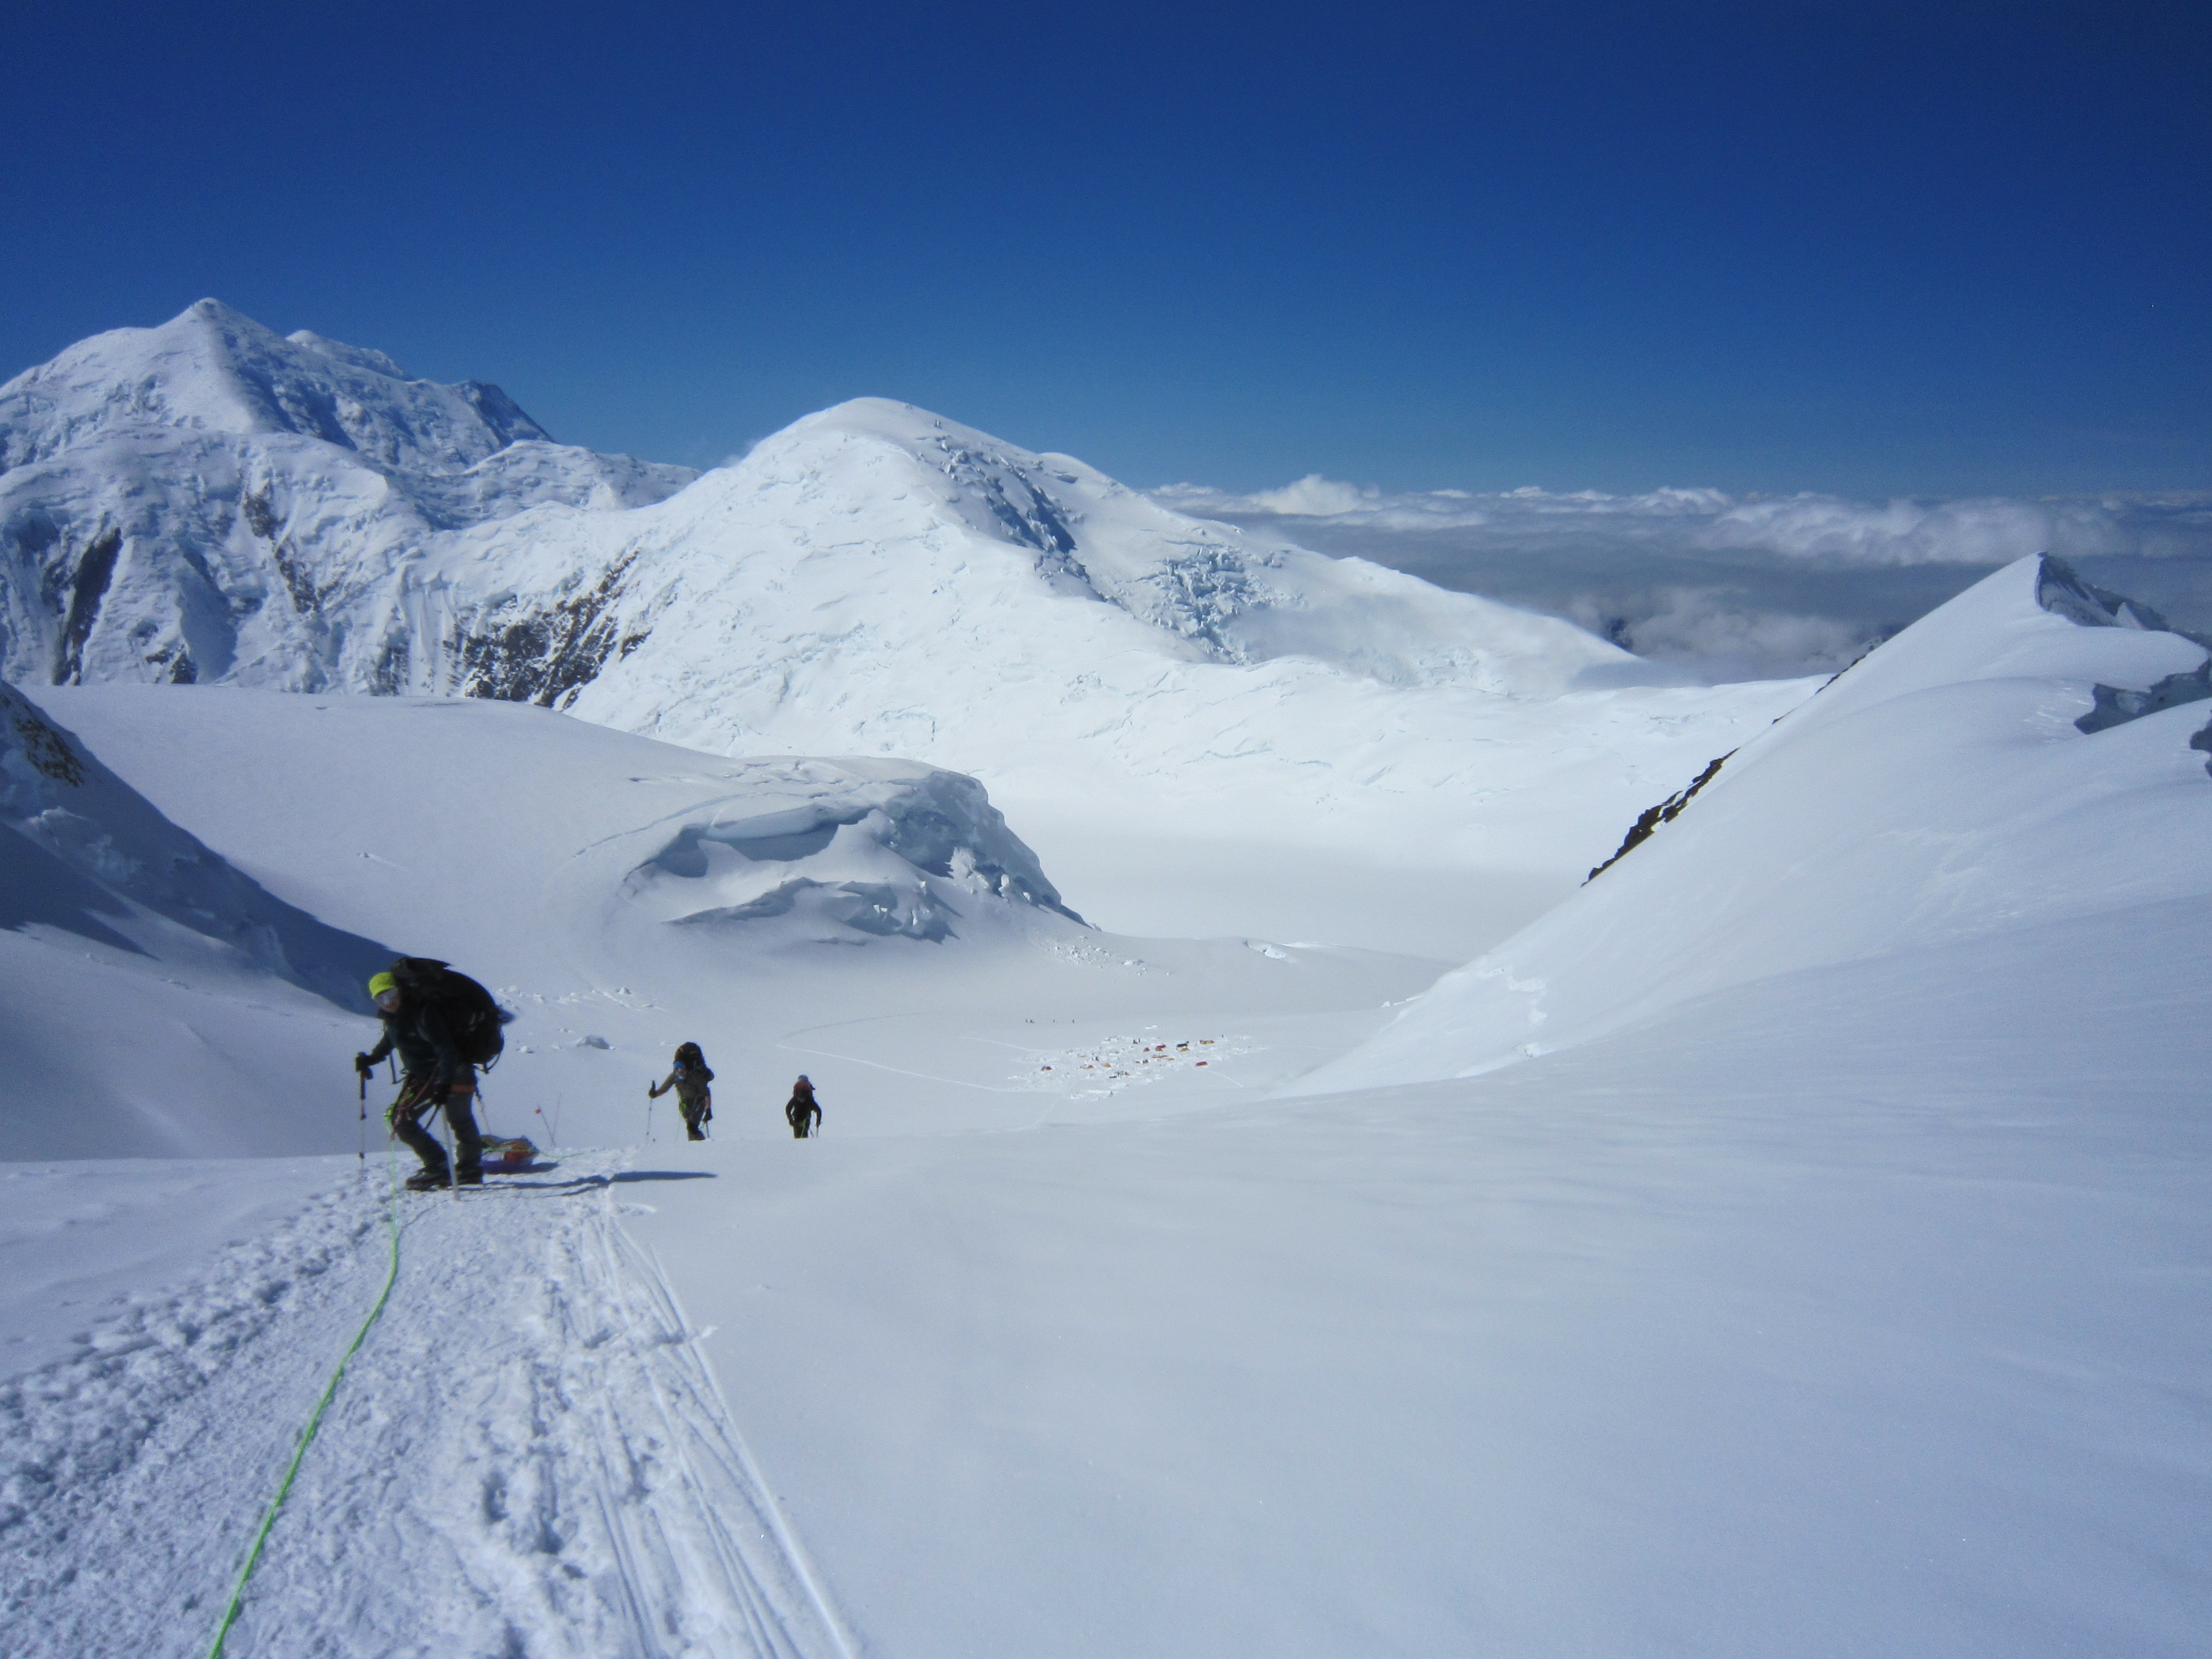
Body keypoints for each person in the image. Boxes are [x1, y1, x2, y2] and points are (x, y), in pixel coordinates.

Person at [355, 967, 486, 1190]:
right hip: (429, 1076)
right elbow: (391, 1041)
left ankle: (453, 1168)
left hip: (451, 1072)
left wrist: (445, 1083)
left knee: (453, 1120)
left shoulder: (423, 1013)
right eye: (380, 998)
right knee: (403, 1120)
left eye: (390, 994)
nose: (387, 1002)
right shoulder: (394, 1019)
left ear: (400, 991)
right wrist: (371, 1060)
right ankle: (454, 1167)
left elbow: (446, 1049)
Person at [650, 1042, 715, 1141]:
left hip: (699, 1103)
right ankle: (699, 1145)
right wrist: (654, 1094)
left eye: (681, 1068)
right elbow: (664, 1089)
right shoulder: (674, 1077)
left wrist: (708, 1110)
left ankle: (699, 1146)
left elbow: (706, 1093)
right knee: (691, 1128)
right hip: (685, 1105)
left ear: (685, 1067)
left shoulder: (695, 1077)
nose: (680, 1071)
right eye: (677, 1069)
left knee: (692, 1127)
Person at [785, 1075, 821, 1139]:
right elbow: (819, 1111)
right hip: (806, 1117)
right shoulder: (809, 1098)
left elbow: (788, 1109)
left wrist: (791, 1121)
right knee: (804, 1135)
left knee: (798, 1135)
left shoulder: (795, 1098)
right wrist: (818, 1122)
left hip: (797, 1117)